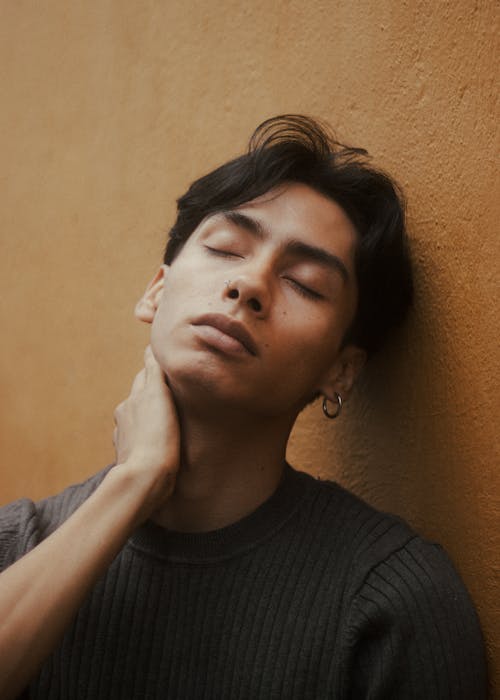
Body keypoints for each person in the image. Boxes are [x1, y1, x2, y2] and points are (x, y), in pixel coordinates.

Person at [0, 115, 487, 699]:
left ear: (340, 370)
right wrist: (135, 483)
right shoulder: (15, 548)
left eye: (305, 284)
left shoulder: (391, 605)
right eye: (226, 249)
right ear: (157, 290)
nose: (249, 285)